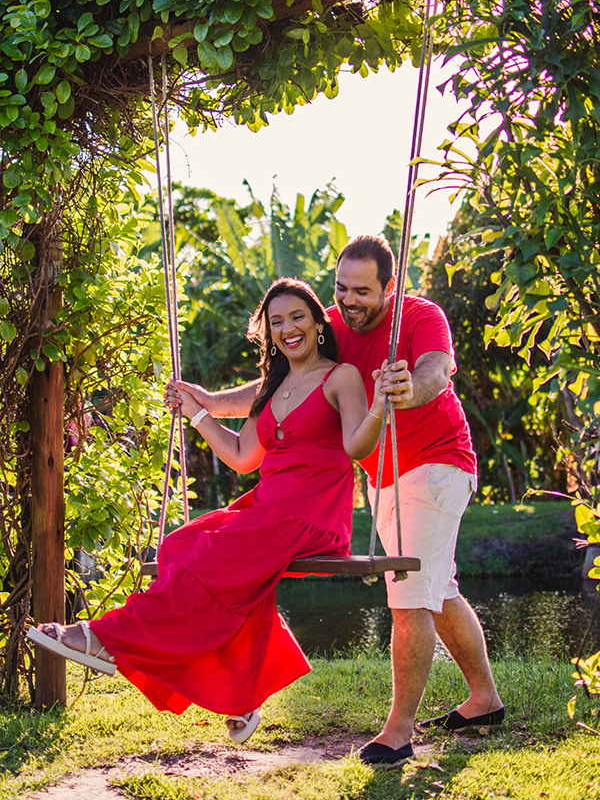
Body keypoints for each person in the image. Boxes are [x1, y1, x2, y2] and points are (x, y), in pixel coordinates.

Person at [171, 236, 504, 764]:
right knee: (435, 585)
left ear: (390, 287)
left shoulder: (419, 316)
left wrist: (406, 389)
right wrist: (209, 402)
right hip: (384, 474)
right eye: (341, 289)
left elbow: (436, 372)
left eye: (362, 292)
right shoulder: (330, 325)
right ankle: (484, 700)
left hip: (438, 463)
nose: (348, 302)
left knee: (411, 593)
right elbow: (280, 385)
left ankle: (398, 732)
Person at [27, 277, 391, 744]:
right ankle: (242, 692)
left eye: (297, 317)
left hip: (311, 516)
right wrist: (198, 412)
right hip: (266, 507)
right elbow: (242, 456)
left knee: (209, 559)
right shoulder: (275, 385)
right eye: (276, 322)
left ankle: (104, 637)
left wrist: (379, 406)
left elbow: (356, 445)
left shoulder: (339, 376)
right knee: (180, 545)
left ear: (319, 323)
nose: (288, 328)